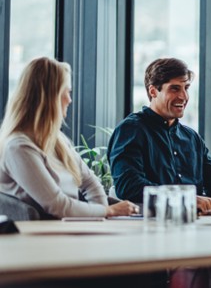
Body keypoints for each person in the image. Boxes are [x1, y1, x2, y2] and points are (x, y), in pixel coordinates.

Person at [0, 57, 138, 218]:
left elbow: (90, 182)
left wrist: (101, 214)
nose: (70, 100)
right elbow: (57, 205)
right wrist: (108, 210)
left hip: (65, 229)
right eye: (67, 92)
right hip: (38, 237)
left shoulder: (57, 140)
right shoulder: (19, 148)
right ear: (51, 97)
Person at [108, 57, 211, 215]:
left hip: (195, 227)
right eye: (174, 89)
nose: (184, 96)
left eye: (186, 88)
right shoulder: (131, 130)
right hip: (148, 228)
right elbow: (129, 186)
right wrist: (186, 199)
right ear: (153, 91)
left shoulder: (191, 137)